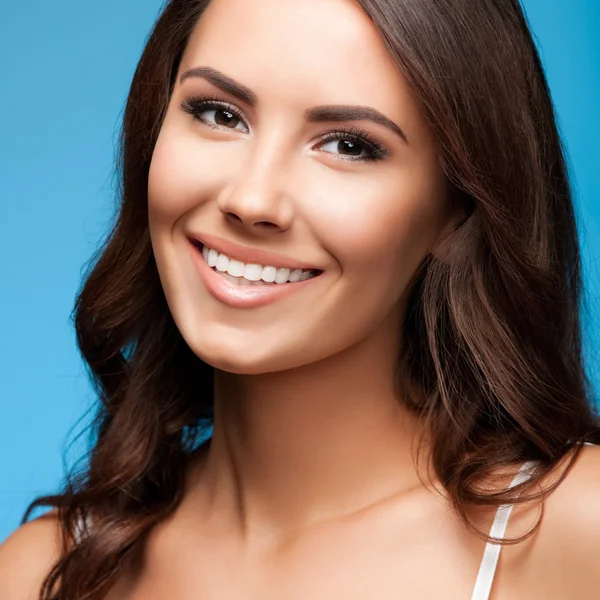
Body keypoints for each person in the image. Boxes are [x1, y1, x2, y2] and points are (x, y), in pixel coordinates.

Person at [2, 0, 600, 598]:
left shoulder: (572, 531)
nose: (253, 199)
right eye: (219, 113)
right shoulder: (38, 574)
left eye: (348, 146)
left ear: (457, 213)